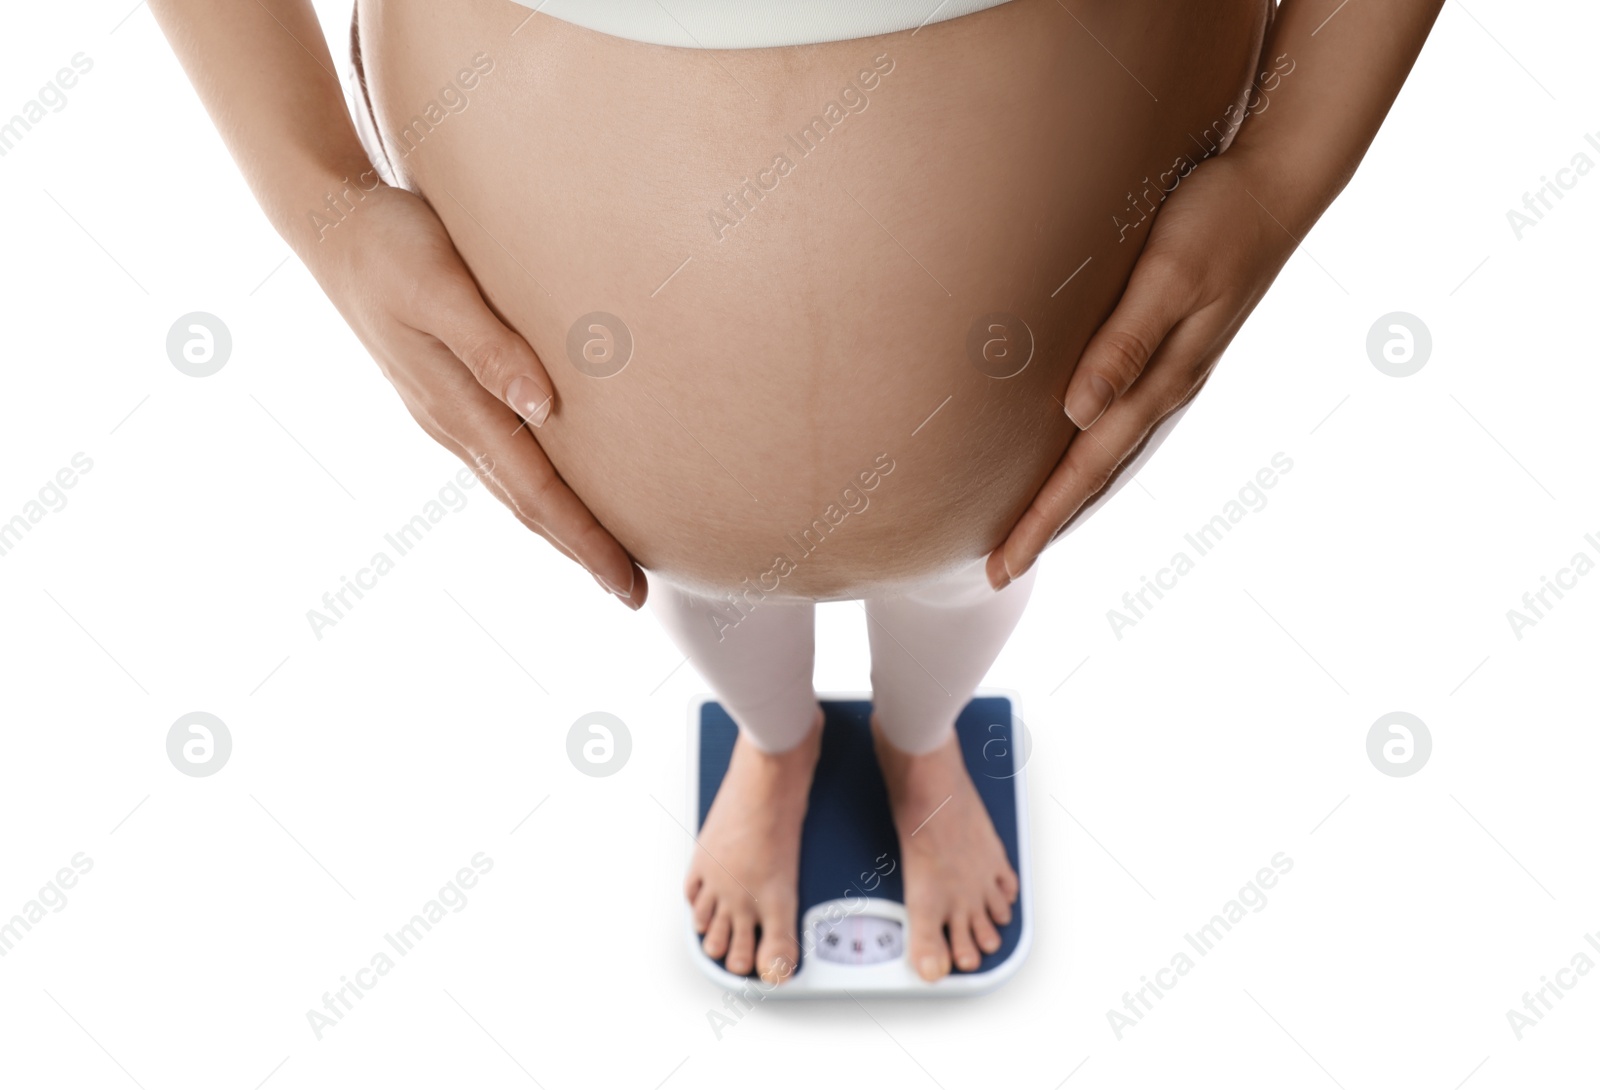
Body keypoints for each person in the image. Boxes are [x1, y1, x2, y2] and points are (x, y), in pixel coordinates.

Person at [149, 0, 1444, 985]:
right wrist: (316, 202)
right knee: (688, 580)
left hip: (1028, 391)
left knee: (975, 565)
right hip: (637, 455)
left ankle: (917, 742)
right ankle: (778, 744)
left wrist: (1290, 168)